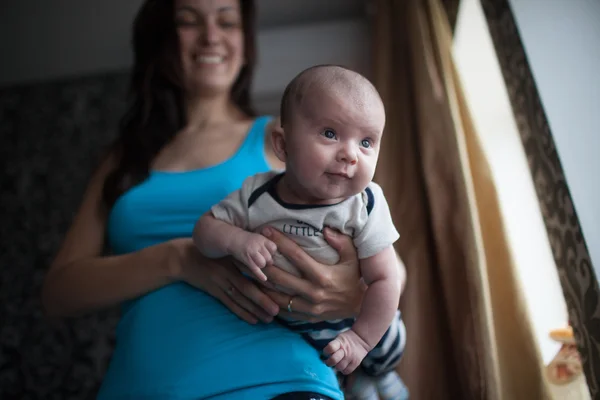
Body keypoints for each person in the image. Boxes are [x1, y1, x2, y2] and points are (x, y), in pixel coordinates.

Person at [41, 0, 407, 399]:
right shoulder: (123, 159)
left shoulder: (299, 136)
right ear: (161, 36)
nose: (211, 35)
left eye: (227, 21)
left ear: (246, 43)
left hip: (281, 383)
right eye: (188, 21)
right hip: (141, 386)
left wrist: (348, 296)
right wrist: (178, 258)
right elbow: (60, 292)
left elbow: (388, 266)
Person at [194, 65, 408, 400]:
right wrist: (237, 240)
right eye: (330, 134)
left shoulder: (364, 204)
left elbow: (386, 279)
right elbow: (204, 231)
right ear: (283, 145)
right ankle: (357, 384)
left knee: (385, 347)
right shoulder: (256, 196)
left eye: (366, 142)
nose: (350, 154)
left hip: (361, 324)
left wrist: (360, 341)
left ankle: (381, 374)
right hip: (294, 332)